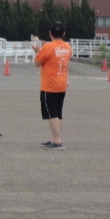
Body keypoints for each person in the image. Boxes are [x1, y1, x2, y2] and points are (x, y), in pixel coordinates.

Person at [30, 21, 72, 150]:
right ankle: (55, 138)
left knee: (51, 113)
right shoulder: (68, 47)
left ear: (50, 34)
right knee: (58, 113)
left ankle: (57, 140)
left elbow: (37, 63)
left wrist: (38, 51)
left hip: (49, 85)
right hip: (62, 84)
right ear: (63, 33)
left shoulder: (48, 47)